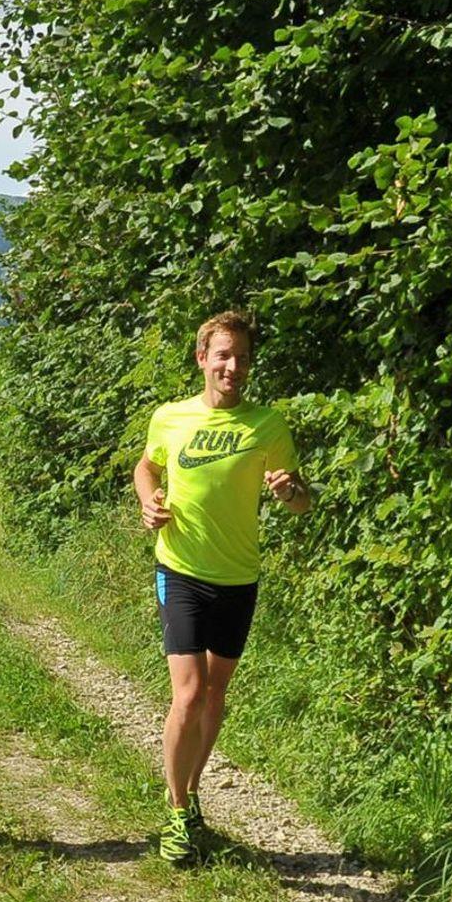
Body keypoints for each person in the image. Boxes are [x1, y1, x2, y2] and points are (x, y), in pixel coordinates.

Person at [132, 311, 311, 863]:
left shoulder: (267, 426)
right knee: (188, 693)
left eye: (242, 358)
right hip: (180, 569)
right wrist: (147, 501)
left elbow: (302, 501)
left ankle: (188, 791)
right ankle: (176, 811)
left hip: (238, 576)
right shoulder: (171, 417)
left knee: (214, 694)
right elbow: (147, 466)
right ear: (202, 358)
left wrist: (289, 492)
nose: (233, 367)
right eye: (223, 355)